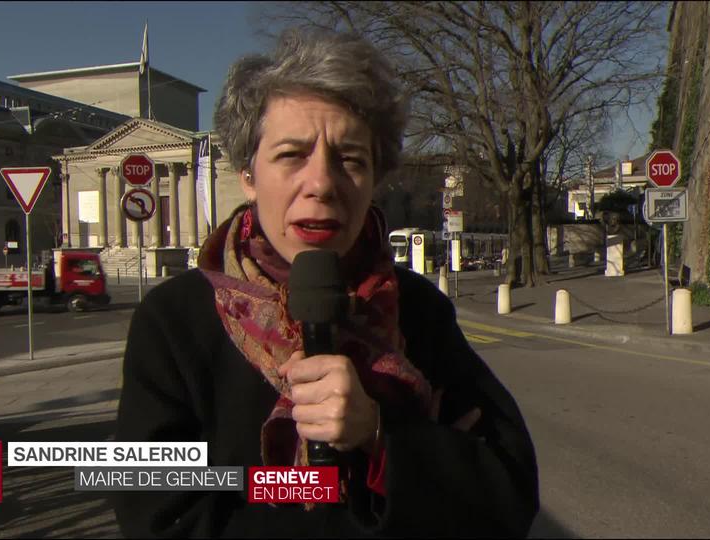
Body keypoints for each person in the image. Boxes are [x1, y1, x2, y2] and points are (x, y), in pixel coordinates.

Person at [114, 28, 538, 538]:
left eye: (350, 159)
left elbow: (507, 492)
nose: (321, 183)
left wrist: (379, 435)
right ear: (247, 174)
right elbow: (155, 511)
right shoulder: (174, 320)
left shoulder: (419, 308)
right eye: (292, 155)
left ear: (376, 178)